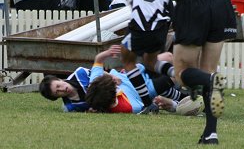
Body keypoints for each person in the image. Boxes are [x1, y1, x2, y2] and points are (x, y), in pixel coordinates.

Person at [166, 0, 237, 144]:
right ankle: (211, 133)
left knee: (181, 74)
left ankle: (211, 80)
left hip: (192, 5)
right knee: (208, 69)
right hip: (221, 3)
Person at [40, 45, 190, 113]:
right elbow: (147, 106)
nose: (62, 89)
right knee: (176, 77)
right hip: (147, 87)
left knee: (168, 58)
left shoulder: (92, 79)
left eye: (58, 85)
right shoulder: (128, 106)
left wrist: (109, 57)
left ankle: (189, 92)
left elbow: (97, 62)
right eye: (57, 92)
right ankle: (193, 92)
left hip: (131, 73)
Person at [108, 0, 175, 114]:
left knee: (127, 61)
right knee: (151, 62)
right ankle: (182, 74)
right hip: (161, 26)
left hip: (141, 24)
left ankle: (148, 104)